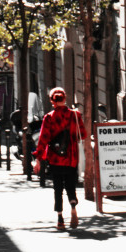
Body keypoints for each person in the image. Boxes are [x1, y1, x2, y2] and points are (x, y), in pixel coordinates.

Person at [33, 87, 87, 230]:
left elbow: (43, 139)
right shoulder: (75, 115)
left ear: (52, 101)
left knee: (57, 188)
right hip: (71, 158)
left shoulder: (49, 117)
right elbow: (83, 134)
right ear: (65, 99)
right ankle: (73, 205)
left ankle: (60, 218)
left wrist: (38, 158)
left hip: (56, 159)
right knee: (70, 185)